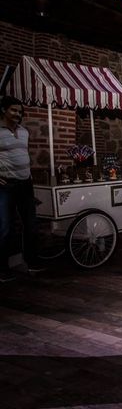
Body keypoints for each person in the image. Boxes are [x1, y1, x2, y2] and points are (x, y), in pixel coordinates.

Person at [0, 96, 43, 282]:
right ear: (3, 110)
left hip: (26, 184)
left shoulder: (24, 132)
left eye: (19, 111)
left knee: (31, 225)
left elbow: (24, 155)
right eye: (13, 110)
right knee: (5, 228)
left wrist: (29, 175)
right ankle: (2, 270)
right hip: (6, 187)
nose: (18, 114)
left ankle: (32, 263)